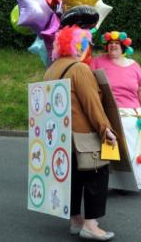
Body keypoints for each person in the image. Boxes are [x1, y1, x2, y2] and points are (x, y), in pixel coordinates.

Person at [44, 25, 116, 240]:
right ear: (79, 46)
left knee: (73, 177)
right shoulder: (79, 69)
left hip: (61, 136)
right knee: (97, 175)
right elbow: (91, 103)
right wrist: (106, 129)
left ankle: (75, 219)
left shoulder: (51, 69)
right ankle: (90, 225)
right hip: (83, 135)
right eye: (87, 45)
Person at [91, 31, 141, 190]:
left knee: (132, 149)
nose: (113, 46)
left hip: (132, 115)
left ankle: (134, 182)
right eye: (110, 44)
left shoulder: (134, 65)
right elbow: (89, 84)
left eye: (117, 44)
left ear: (123, 47)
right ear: (106, 47)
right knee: (113, 149)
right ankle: (114, 183)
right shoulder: (98, 62)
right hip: (109, 113)